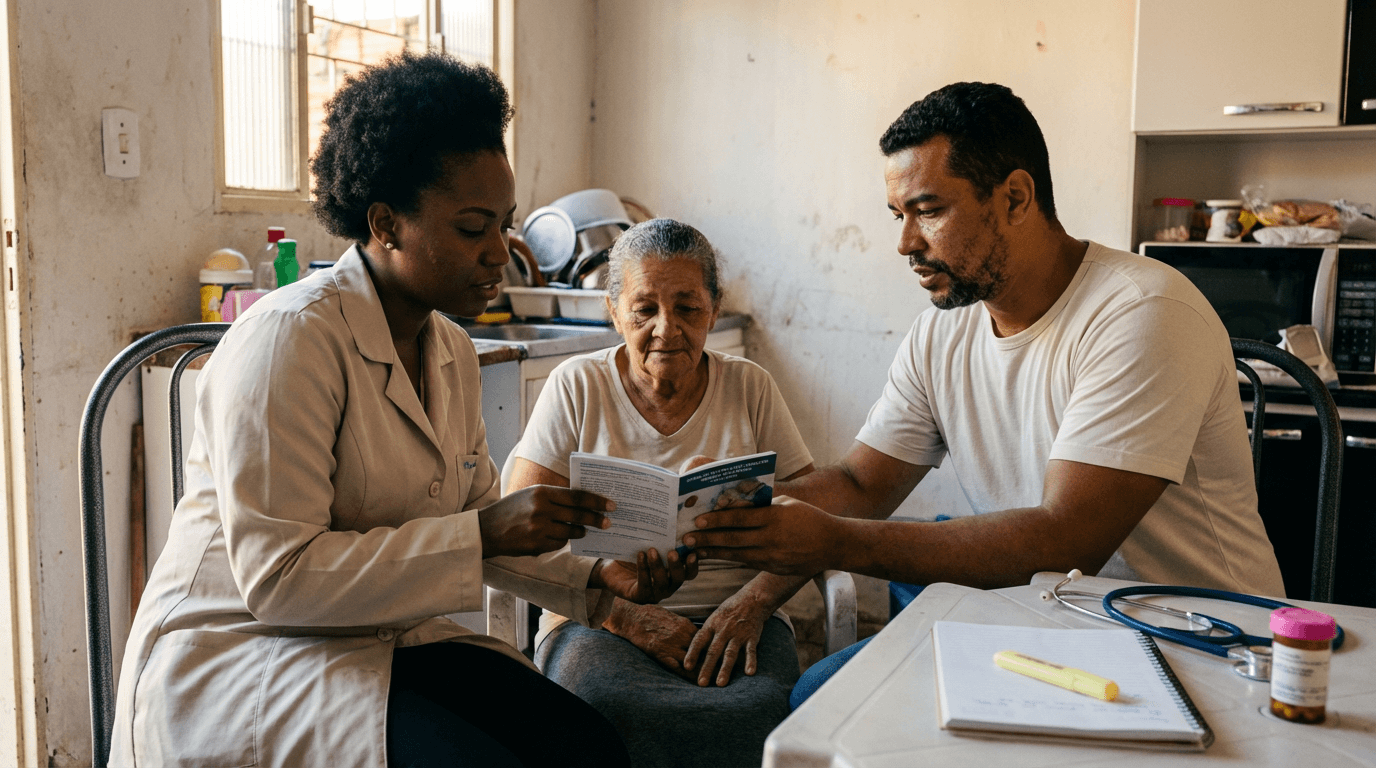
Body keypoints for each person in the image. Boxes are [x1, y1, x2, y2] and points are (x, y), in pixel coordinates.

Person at [108, 52, 694, 768]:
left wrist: (602, 588)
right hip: (249, 652)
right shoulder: (289, 341)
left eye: (504, 225)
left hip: (374, 637)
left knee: (587, 746)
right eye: (473, 228)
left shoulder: (448, 348)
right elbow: (278, 580)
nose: (500, 254)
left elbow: (485, 530)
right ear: (385, 224)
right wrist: (481, 532)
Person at [681, 82, 1285, 703]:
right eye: (899, 215)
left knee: (833, 702)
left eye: (929, 211)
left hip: (1205, 647)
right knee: (824, 695)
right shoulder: (941, 332)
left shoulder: (1143, 312)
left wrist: (836, 541)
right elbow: (862, 488)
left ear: (1016, 198)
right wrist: (748, 511)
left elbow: (1067, 540)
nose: (905, 244)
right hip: (1052, 621)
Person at [505, 218, 816, 768]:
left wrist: (750, 605)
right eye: (644, 308)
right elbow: (517, 528)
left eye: (688, 308)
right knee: (602, 709)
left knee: (760, 710)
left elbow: (811, 518)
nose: (667, 329)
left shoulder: (749, 387)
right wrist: (624, 615)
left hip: (739, 617)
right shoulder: (576, 385)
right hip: (597, 619)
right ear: (614, 311)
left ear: (714, 311)